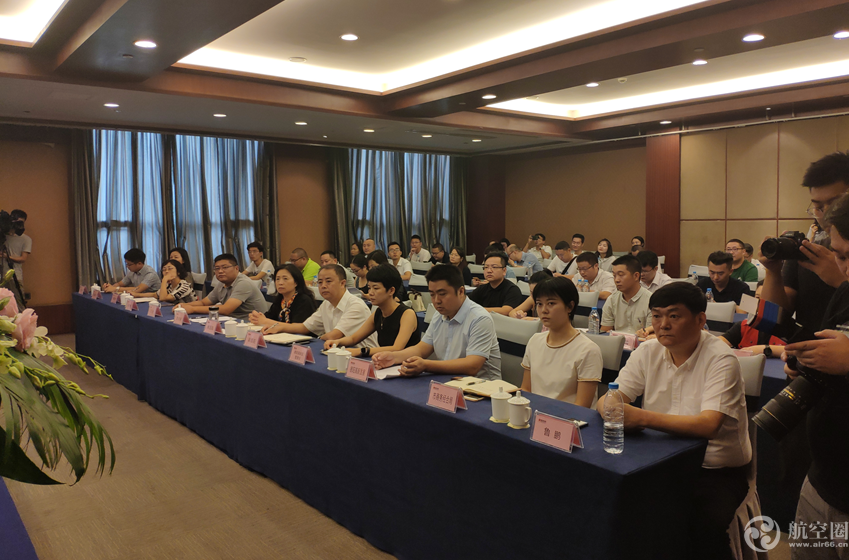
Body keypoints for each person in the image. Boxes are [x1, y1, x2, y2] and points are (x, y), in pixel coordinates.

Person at [597, 282, 751, 560]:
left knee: (702, 527)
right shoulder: (647, 351)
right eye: (656, 316)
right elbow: (611, 398)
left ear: (700, 320)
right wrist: (611, 407)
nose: (663, 325)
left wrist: (641, 417)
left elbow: (708, 426)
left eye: (674, 316)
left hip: (714, 470)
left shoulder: (721, 359)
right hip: (658, 461)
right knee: (615, 504)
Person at [759, 151, 849, 545]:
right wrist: (773, 271)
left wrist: (840, 276)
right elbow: (774, 317)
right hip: (812, 380)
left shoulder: (838, 260)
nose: (822, 215)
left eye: (832, 203)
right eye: (816, 205)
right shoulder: (807, 248)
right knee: (802, 475)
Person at [782, 192, 849, 556]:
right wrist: (808, 361)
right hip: (822, 478)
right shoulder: (845, 293)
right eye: (841, 256)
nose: (845, 269)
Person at [372, 264, 501, 380]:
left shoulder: (479, 318)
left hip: (482, 388)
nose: (436, 300)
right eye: (432, 295)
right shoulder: (439, 315)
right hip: (448, 381)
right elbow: (421, 349)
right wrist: (393, 357)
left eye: (442, 294)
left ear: (461, 291)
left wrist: (426, 365)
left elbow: (472, 366)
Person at [521, 277, 602, 407]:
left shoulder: (588, 350)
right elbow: (526, 390)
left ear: (570, 306)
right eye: (539, 304)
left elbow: (581, 406)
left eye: (551, 303)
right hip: (534, 413)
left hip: (568, 417)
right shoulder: (535, 340)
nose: (544, 310)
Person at [263, 264, 376, 347]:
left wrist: (318, 339)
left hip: (365, 359)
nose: (323, 286)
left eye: (328, 281)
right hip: (338, 352)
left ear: (342, 283)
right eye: (320, 282)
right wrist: (279, 327)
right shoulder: (326, 304)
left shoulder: (355, 305)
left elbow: (334, 336)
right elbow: (304, 327)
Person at [324, 264, 420, 356]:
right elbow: (354, 338)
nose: (370, 293)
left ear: (391, 290)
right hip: (386, 362)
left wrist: (361, 351)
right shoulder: (378, 313)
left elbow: (397, 348)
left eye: (376, 288)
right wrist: (337, 342)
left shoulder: (407, 314)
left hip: (407, 363)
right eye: (369, 288)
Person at [177, 253, 268, 320]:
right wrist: (183, 306)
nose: (220, 271)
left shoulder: (243, 283)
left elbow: (226, 309)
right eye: (217, 268)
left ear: (236, 268)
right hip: (232, 321)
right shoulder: (222, 283)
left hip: (251, 324)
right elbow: (204, 303)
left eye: (225, 267)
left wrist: (192, 309)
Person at [249, 263, 318, 328]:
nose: (280, 283)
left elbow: (297, 328)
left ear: (296, 282)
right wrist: (257, 317)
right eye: (277, 279)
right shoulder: (280, 300)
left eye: (285, 279)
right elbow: (268, 317)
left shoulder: (304, 300)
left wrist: (266, 321)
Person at [601, 255, 653, 335]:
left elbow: (651, 334)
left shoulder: (651, 300)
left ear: (636, 276)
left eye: (621, 275)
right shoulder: (612, 300)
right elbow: (605, 332)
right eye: (614, 275)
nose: (616, 280)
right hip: (616, 342)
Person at [5, 209, 31, 286]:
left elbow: (23, 258)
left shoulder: (26, 239)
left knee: (17, 294)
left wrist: (7, 257)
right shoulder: (3, 236)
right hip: (1, 275)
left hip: (15, 276)